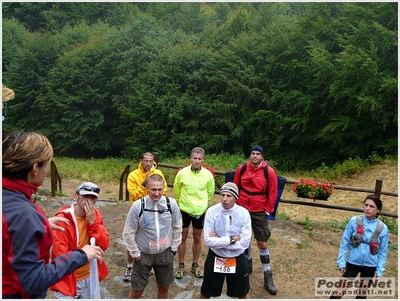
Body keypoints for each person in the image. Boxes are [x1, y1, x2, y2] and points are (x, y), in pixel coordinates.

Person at [2, 130, 104, 299]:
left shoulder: (10, 198)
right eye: (46, 166)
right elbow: (32, 281)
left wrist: (40, 223)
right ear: (35, 169)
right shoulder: (24, 214)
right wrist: (81, 255)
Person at [122, 174, 182, 299]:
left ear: (164, 188)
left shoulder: (171, 204)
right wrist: (136, 255)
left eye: (160, 189)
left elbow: (177, 227)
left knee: (164, 287)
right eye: (153, 189)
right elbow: (128, 233)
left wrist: (173, 249)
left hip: (165, 253)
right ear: (147, 188)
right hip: (143, 254)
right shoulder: (138, 206)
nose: (157, 193)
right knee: (137, 291)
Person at [50, 182, 110, 299]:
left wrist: (92, 223)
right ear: (76, 196)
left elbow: (104, 245)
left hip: (89, 276)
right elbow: (60, 256)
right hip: (68, 279)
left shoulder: (95, 215)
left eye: (93, 197)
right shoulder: (62, 220)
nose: (89, 200)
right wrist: (82, 254)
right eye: (85, 196)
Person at [233, 145, 279, 295]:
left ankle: (267, 274)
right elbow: (235, 187)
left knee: (262, 242)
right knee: (243, 239)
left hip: (259, 211)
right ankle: (247, 263)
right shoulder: (242, 169)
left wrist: (267, 210)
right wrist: (235, 205)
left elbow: (273, 191)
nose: (254, 156)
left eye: (257, 154)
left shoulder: (269, 172)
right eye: (252, 153)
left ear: (262, 156)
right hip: (242, 209)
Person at [330, 195, 389, 299]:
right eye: (366, 205)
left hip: (370, 266)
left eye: (371, 206)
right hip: (353, 262)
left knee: (361, 295)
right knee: (338, 293)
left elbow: (383, 252)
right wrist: (341, 261)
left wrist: (379, 271)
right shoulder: (354, 221)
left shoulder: (383, 228)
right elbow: (345, 242)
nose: (367, 208)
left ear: (378, 210)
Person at [200, 182, 252, 299]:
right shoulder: (212, 212)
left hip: (237, 257)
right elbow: (208, 241)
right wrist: (232, 239)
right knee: (205, 292)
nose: (224, 199)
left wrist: (219, 240)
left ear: (235, 198)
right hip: (216, 255)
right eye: (222, 195)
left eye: (228, 196)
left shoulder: (243, 214)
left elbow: (243, 243)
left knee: (243, 293)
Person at [123, 151, 168, 281]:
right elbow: (133, 195)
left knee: (153, 236)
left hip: (154, 210)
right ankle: (130, 266)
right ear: (141, 160)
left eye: (151, 161)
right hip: (137, 210)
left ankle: (150, 263)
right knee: (132, 237)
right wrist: (144, 183)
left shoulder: (158, 174)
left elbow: (163, 191)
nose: (148, 164)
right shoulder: (133, 175)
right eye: (146, 161)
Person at [173, 147, 215, 279]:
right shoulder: (182, 173)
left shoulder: (208, 175)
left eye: (199, 159)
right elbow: (177, 191)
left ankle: (195, 265)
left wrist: (201, 204)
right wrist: (183, 204)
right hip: (184, 209)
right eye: (195, 158)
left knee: (197, 238)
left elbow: (210, 193)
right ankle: (181, 265)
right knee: (182, 237)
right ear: (190, 158)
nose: (197, 161)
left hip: (200, 211)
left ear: (203, 160)